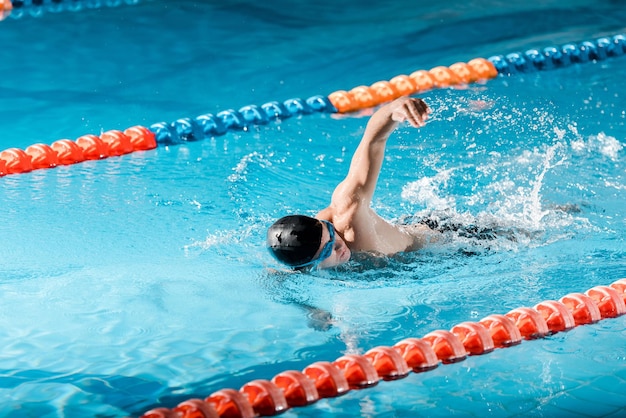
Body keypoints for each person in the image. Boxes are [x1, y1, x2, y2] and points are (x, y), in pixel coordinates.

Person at [267, 96, 439, 270]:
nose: (339, 246)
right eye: (328, 250)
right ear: (310, 266)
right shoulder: (305, 263)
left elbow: (373, 142)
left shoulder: (348, 210)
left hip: (443, 241)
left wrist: (392, 110)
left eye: (331, 233)